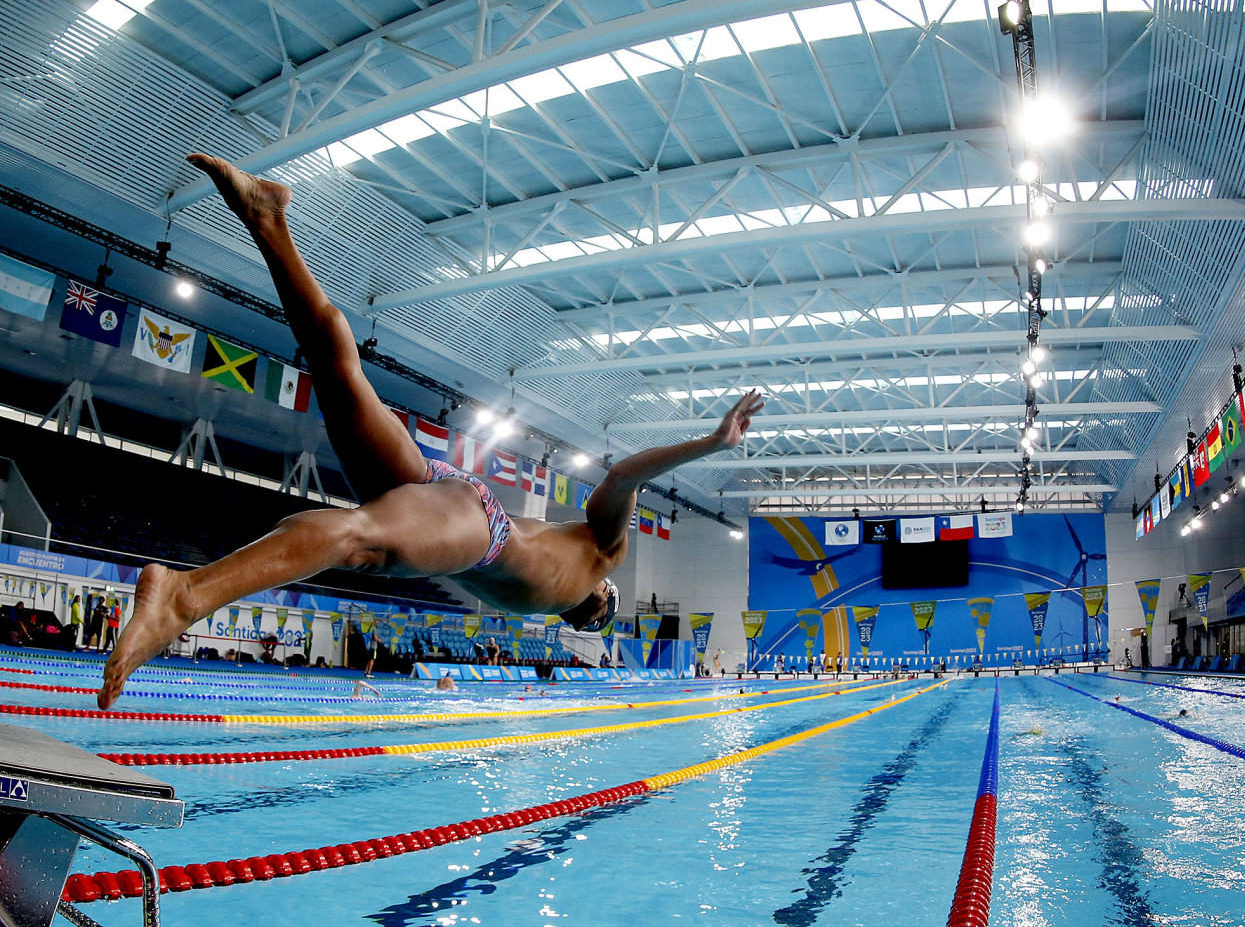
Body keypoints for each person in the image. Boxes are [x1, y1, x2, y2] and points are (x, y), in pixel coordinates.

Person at [97, 154, 765, 710]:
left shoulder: (548, 604)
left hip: (449, 498)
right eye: (603, 616)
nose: (599, 620)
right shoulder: (601, 557)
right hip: (479, 527)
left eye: (597, 623)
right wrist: (712, 444)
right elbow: (624, 475)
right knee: (359, 540)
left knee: (335, 366)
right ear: (604, 595)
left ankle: (269, 220)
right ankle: (184, 594)